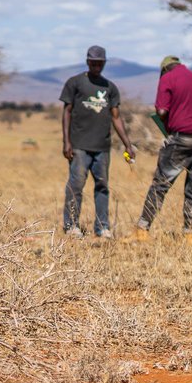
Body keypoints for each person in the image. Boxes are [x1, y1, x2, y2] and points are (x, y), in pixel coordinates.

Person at [133, 56, 192, 244]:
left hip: (181, 139)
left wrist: (169, 126)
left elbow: (162, 111)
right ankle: (190, 234)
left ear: (164, 70)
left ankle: (142, 230)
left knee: (161, 184)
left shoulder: (168, 79)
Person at [59, 45, 137, 239]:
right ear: (87, 62)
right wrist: (66, 142)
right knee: (76, 185)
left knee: (102, 187)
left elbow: (116, 117)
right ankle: (71, 226)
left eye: (100, 63)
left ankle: (102, 227)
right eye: (93, 63)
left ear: (104, 64)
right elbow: (66, 112)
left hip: (102, 147)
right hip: (79, 146)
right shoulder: (75, 83)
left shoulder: (109, 87)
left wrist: (127, 144)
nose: (96, 66)